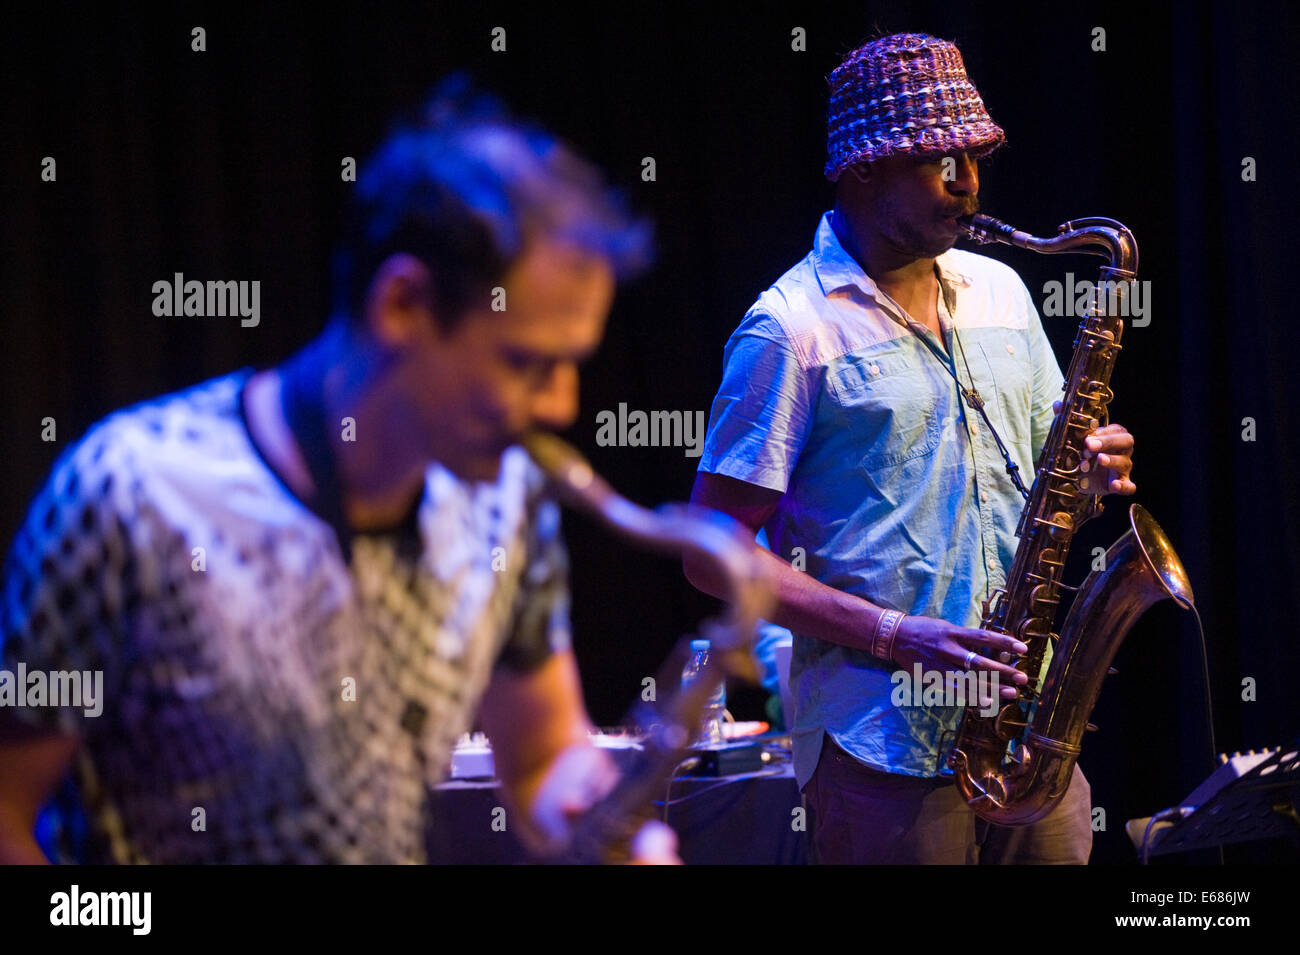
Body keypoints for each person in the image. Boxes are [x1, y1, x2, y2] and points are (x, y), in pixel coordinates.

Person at [0, 78, 677, 864]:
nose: (562, 406)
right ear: (402, 305)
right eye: (529, 363)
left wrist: (607, 817)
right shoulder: (131, 492)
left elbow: (537, 756)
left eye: (574, 366)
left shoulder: (511, 496)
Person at [684, 33, 1137, 864]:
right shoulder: (790, 328)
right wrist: (897, 633)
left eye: (973, 158)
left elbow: (1045, 475)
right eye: (940, 161)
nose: (967, 182)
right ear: (864, 168)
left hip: (1028, 728)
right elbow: (711, 552)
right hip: (878, 746)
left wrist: (1091, 470)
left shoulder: (1000, 289)